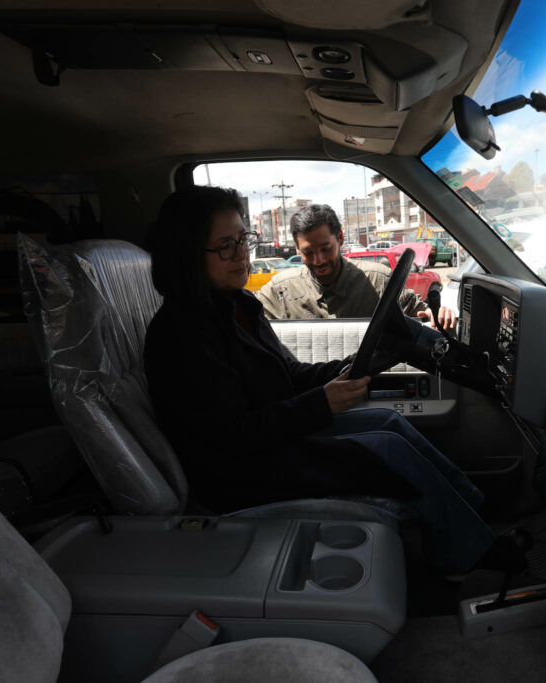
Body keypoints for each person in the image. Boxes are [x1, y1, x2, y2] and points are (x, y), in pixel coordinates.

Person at [143, 186, 523, 574]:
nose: (242, 253)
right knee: (387, 452)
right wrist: (321, 404)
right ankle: (475, 557)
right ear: (187, 255)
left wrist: (356, 365)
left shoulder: (238, 305)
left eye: (243, 239)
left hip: (275, 440)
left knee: (390, 423)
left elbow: (286, 374)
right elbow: (233, 434)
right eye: (225, 245)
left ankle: (474, 512)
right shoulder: (181, 334)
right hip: (242, 470)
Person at [256, 204, 458, 329]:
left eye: (325, 249)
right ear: (297, 250)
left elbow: (422, 312)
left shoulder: (379, 281)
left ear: (341, 238)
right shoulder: (281, 289)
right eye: (308, 252)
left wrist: (438, 314)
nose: (318, 260)